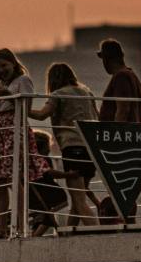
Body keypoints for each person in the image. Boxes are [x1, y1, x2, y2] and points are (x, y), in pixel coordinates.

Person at [32, 61, 100, 225]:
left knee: (79, 201)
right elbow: (97, 117)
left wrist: (20, 109)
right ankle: (68, 235)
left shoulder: (58, 94)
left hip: (73, 147)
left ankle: (99, 234)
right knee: (78, 200)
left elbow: (42, 115)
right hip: (91, 148)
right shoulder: (87, 93)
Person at [0, 48, 40, 234]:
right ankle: (2, 227)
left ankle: (19, 224)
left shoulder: (23, 81)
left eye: (4, 66)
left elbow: (26, 107)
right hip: (0, 133)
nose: (1, 70)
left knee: (14, 179)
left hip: (14, 130)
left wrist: (3, 94)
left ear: (13, 64)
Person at [95, 38, 141, 224]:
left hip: (121, 142)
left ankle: (122, 221)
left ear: (107, 59)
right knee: (122, 189)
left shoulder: (121, 77)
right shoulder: (132, 76)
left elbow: (122, 108)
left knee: (120, 187)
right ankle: (123, 219)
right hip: (129, 139)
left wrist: (116, 137)